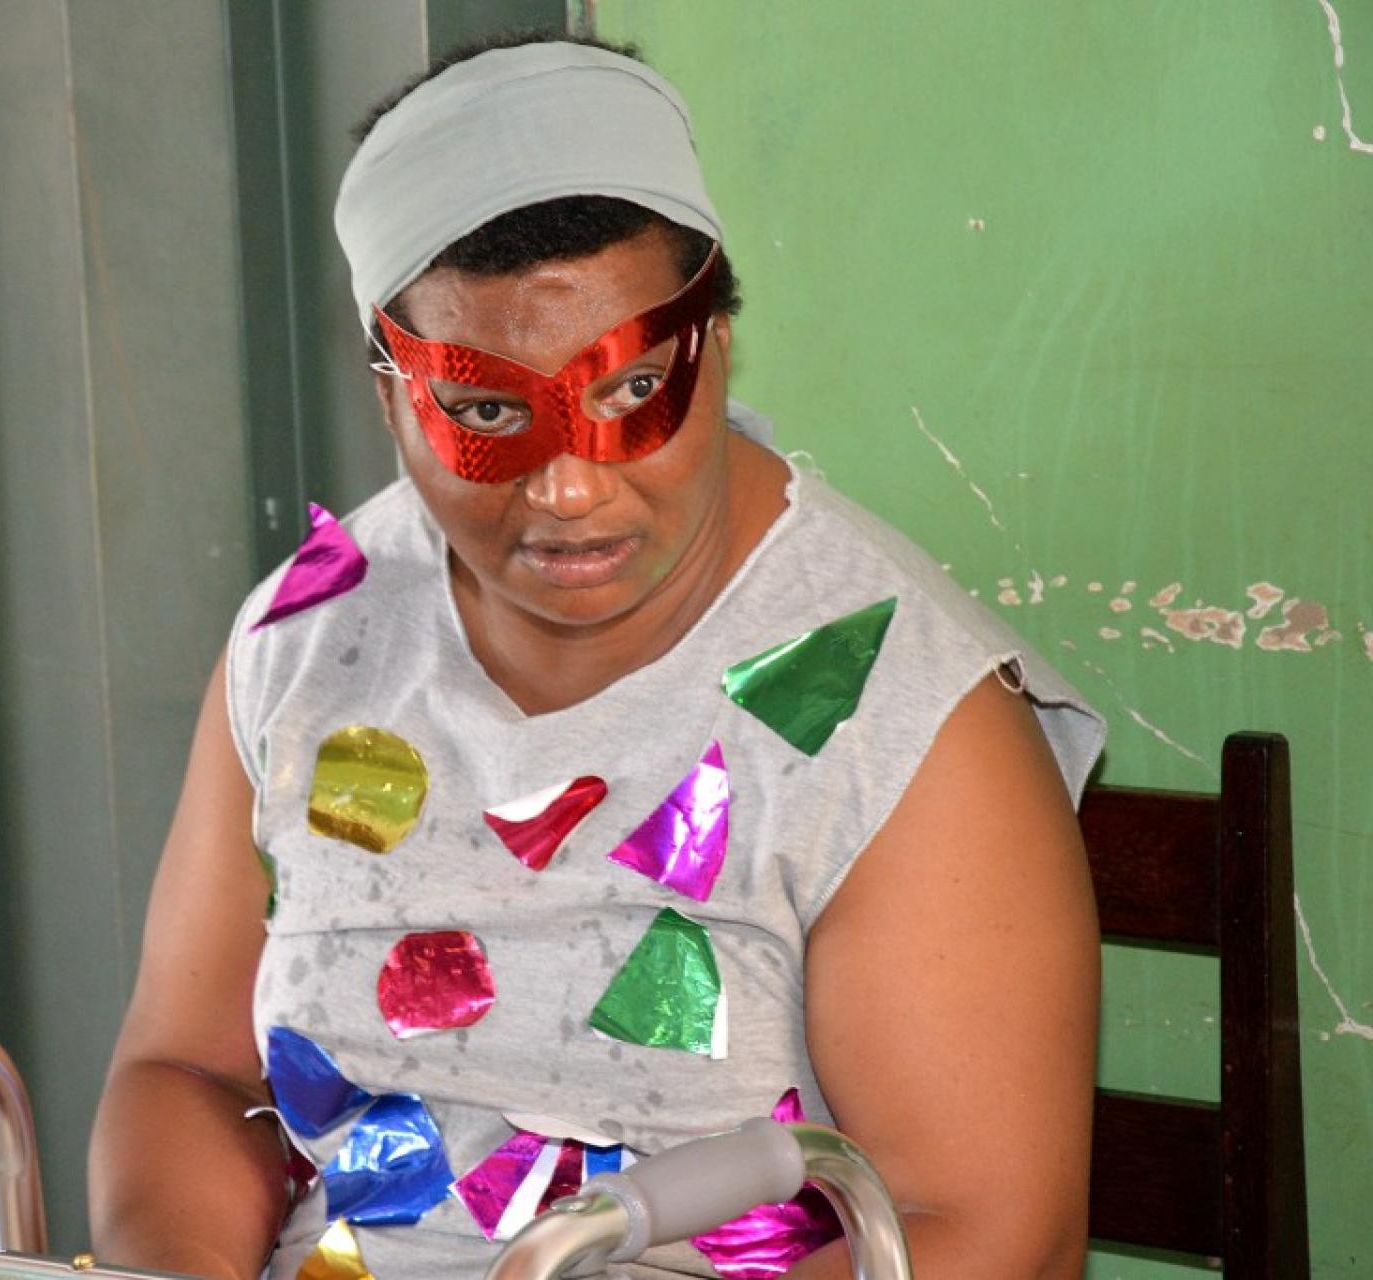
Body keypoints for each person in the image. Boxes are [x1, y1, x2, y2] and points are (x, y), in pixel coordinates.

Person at [89, 31, 1104, 1280]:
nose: (569, 488)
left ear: (714, 339)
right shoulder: (311, 639)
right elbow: (189, 1070)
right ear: (390, 389)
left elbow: (982, 1229)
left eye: (629, 393)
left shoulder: (894, 708)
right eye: (486, 411)